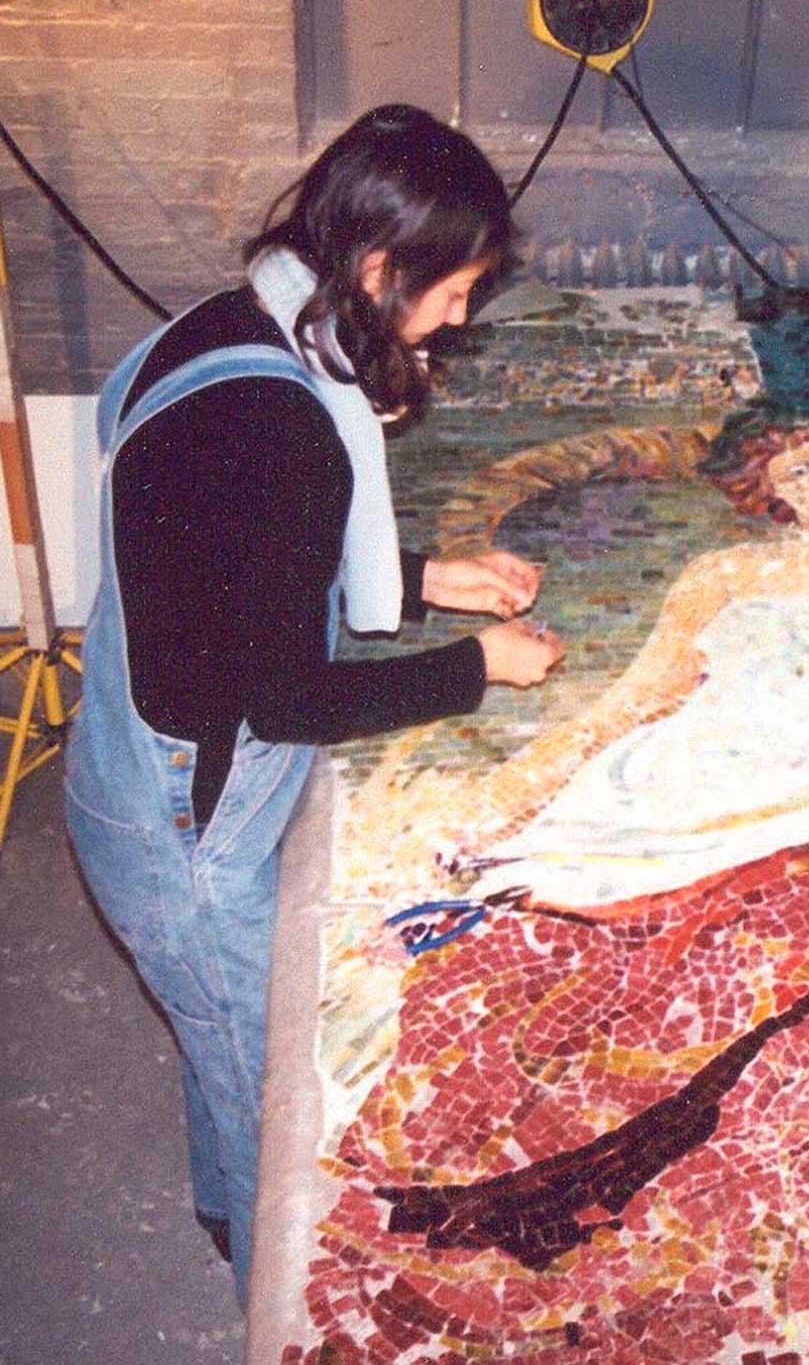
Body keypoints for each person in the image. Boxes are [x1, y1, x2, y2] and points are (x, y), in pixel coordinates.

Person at [62, 103, 565, 1299]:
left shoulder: (236, 320)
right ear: (382, 269)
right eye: (451, 294)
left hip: (131, 757)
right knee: (268, 1089)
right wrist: (475, 667)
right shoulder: (282, 422)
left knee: (223, 1043)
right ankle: (265, 1292)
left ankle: (218, 1214)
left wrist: (424, 578)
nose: (456, 322)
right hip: (182, 825)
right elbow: (282, 695)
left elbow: (228, 560)